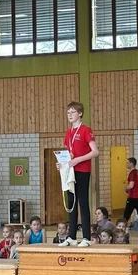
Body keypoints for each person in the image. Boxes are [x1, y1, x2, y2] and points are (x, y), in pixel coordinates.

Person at [57, 101, 99, 248]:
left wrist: (78, 160)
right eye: (68, 112)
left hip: (83, 170)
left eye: (73, 112)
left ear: (80, 113)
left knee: (82, 202)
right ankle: (72, 237)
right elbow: (69, 155)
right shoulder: (68, 133)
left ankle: (86, 237)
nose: (70, 115)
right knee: (71, 203)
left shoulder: (86, 130)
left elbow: (95, 151)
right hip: (71, 171)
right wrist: (62, 164)